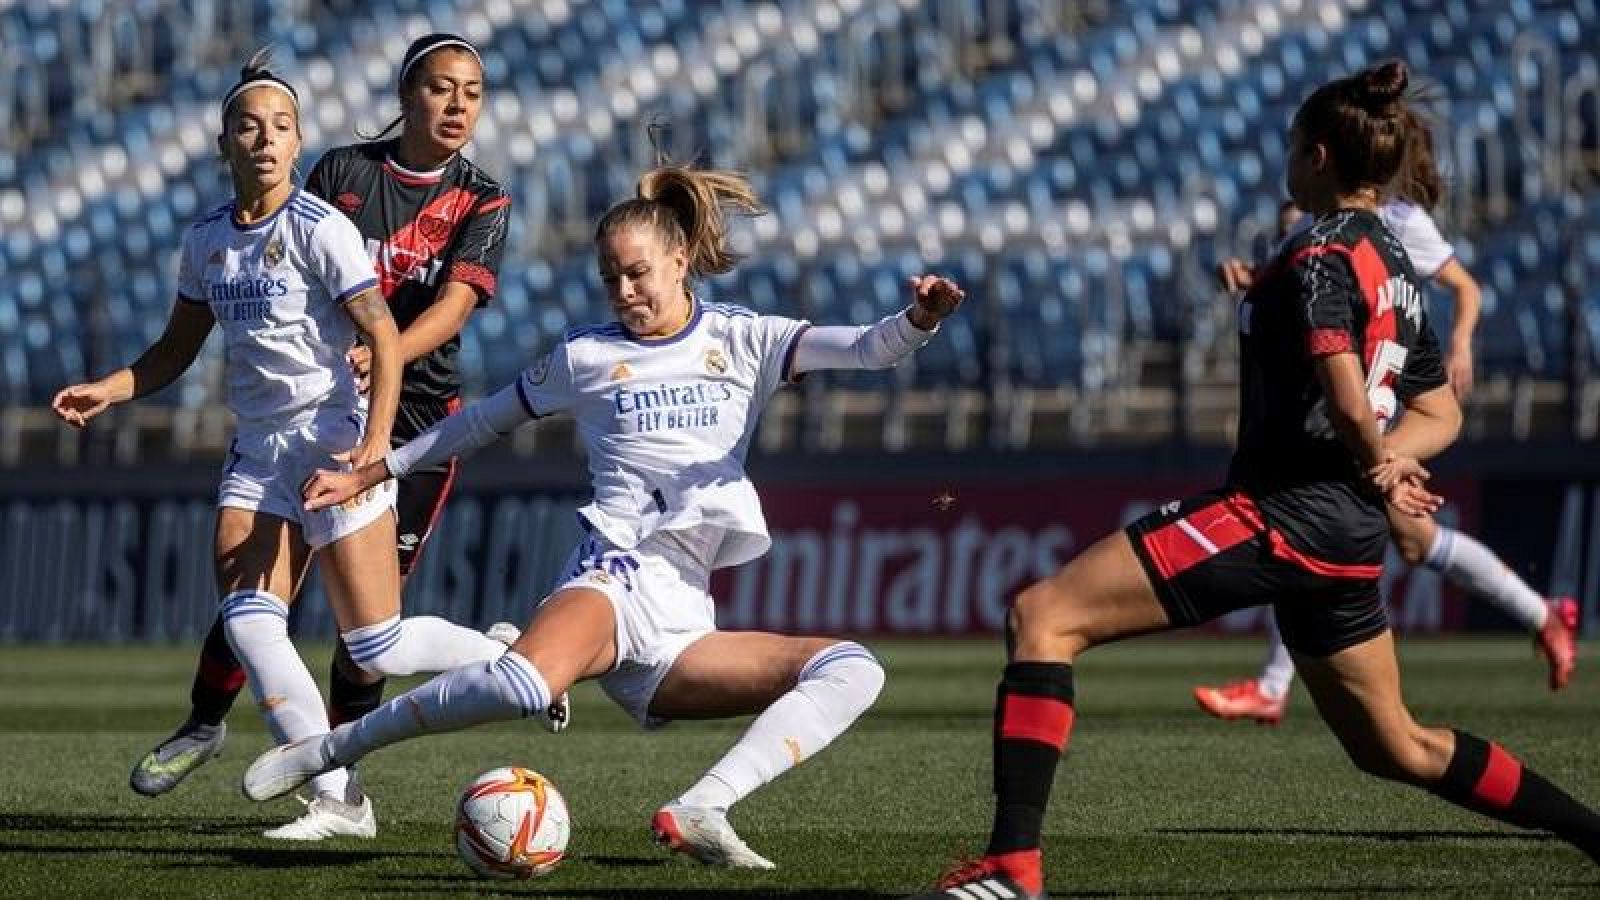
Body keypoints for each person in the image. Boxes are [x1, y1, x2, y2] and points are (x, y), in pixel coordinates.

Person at [915, 61, 1600, 900]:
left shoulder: (1317, 253)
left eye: (1288, 147)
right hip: (1342, 537)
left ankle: (1011, 867)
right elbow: (1441, 411)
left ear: (1315, 155)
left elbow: (1348, 396)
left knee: (1043, 616)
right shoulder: (1392, 257)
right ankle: (1593, 834)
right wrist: (1387, 464)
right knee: (1395, 747)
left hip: (1281, 512)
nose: (1283, 160)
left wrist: (1374, 462)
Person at [240, 161, 963, 867]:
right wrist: (373, 467)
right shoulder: (586, 356)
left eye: (637, 273)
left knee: (852, 669)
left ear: (680, 260)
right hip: (613, 572)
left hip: (684, 613)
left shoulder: (746, 340)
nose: (623, 291)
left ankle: (703, 806)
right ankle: (332, 749)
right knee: (525, 687)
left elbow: (870, 349)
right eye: (610, 278)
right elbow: (480, 423)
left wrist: (921, 318)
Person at [57, 51, 511, 840]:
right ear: (222, 141)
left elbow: (393, 330)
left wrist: (368, 454)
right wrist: (113, 385)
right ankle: (336, 795)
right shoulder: (207, 239)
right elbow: (176, 348)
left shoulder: (327, 226)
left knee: (375, 641)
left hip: (344, 431)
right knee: (249, 618)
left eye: (280, 127)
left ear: (297, 144)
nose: (265, 140)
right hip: (260, 449)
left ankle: (513, 658)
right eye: (249, 125)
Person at [1196, 110, 1576, 727]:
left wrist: (1457, 346)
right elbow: (1296, 293)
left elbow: (1466, 287)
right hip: (1333, 401)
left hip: (1373, 404)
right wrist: (1249, 279)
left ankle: (1273, 685)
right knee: (1409, 539)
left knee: (1313, 519)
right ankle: (1543, 614)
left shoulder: (1399, 222)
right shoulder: (1319, 223)